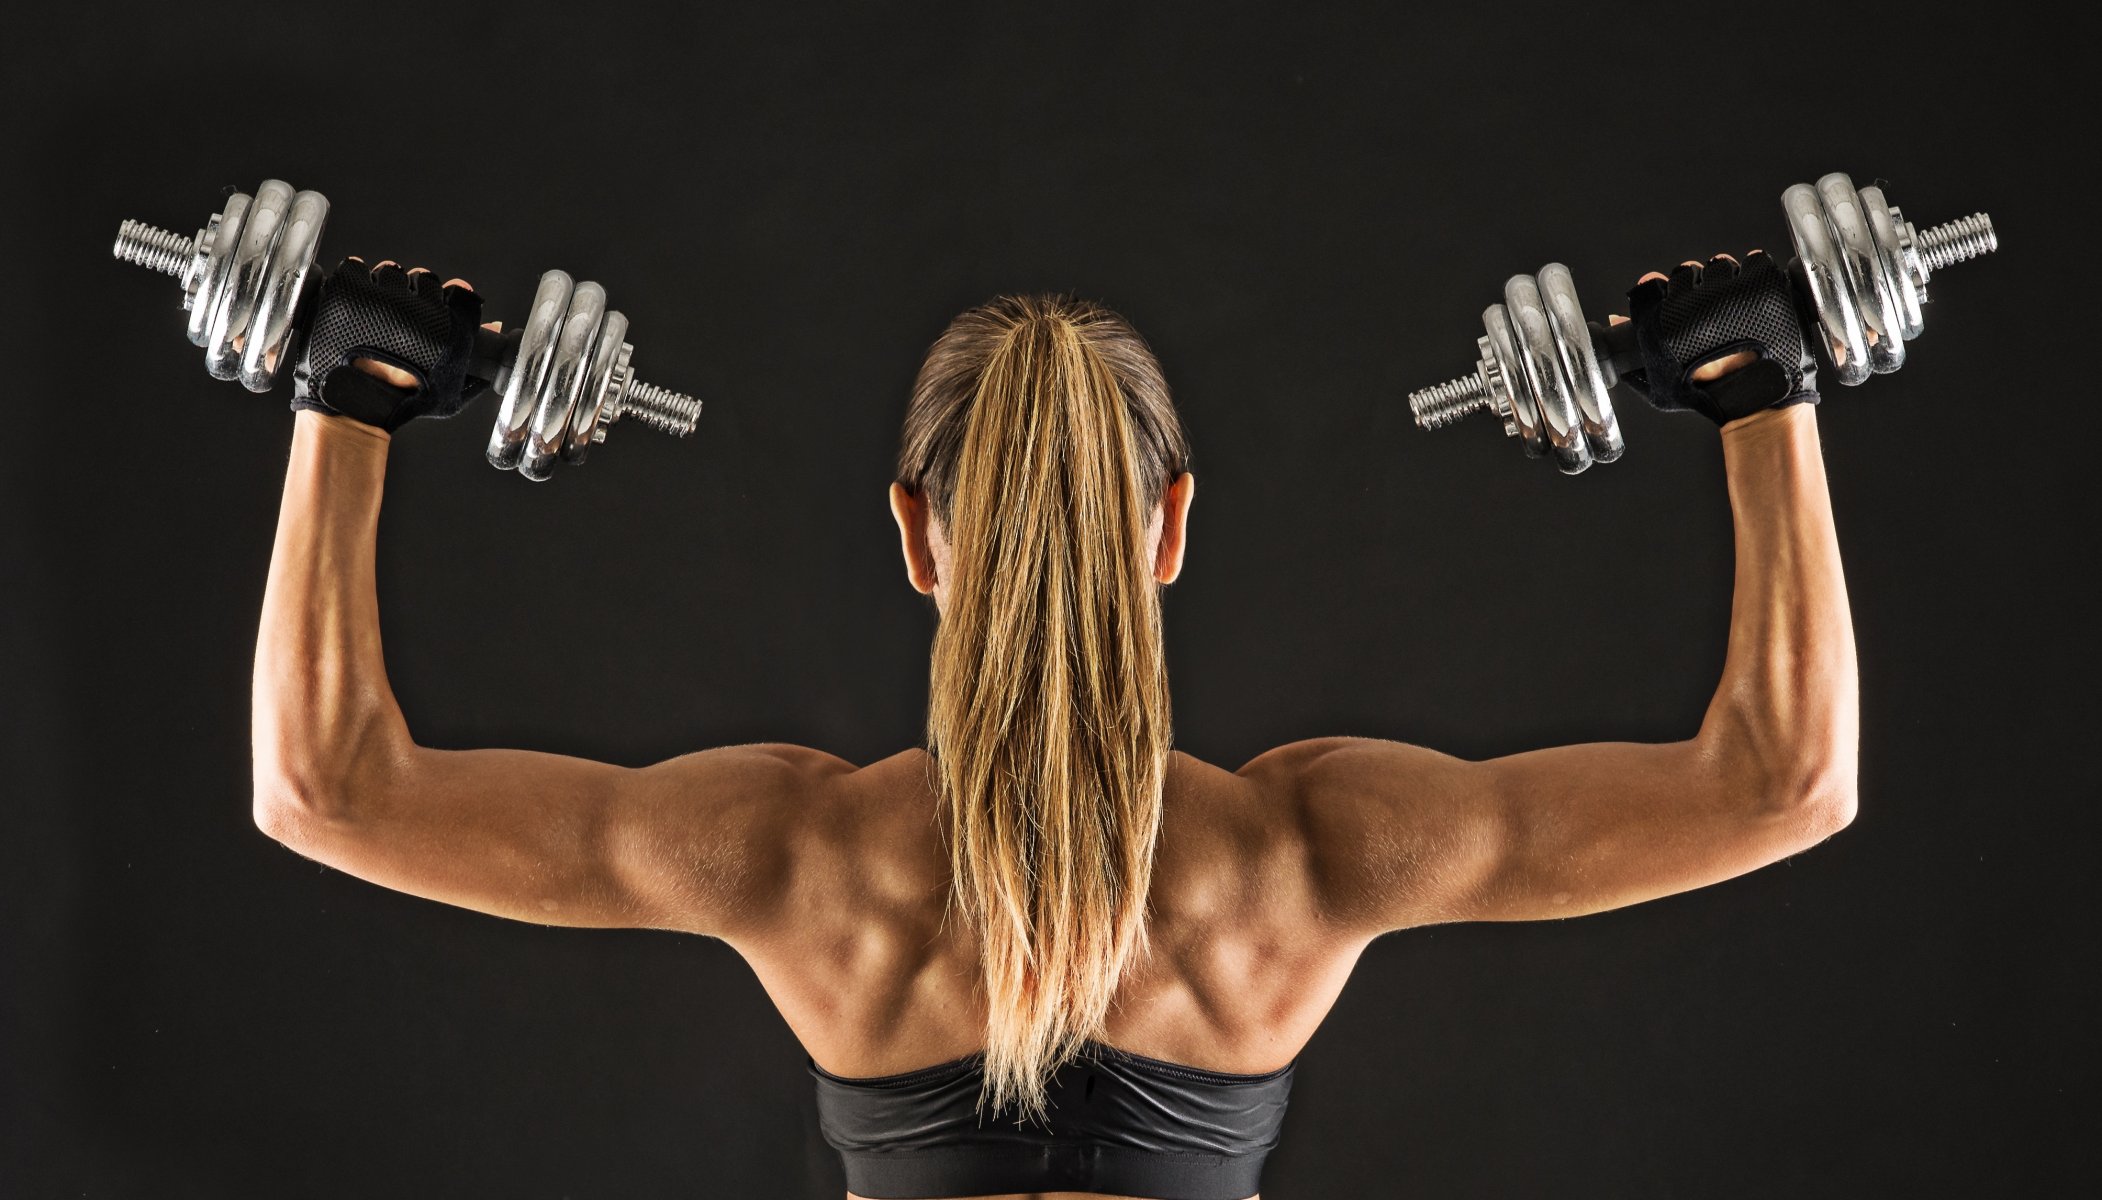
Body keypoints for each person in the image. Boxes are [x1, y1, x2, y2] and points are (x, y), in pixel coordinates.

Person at [251, 249, 1856, 1200]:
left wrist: (349, 408)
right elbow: (1779, 785)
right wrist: (1758, 398)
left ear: (910, 531)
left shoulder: (795, 856)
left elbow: (327, 793)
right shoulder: (1307, 855)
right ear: (1167, 527)